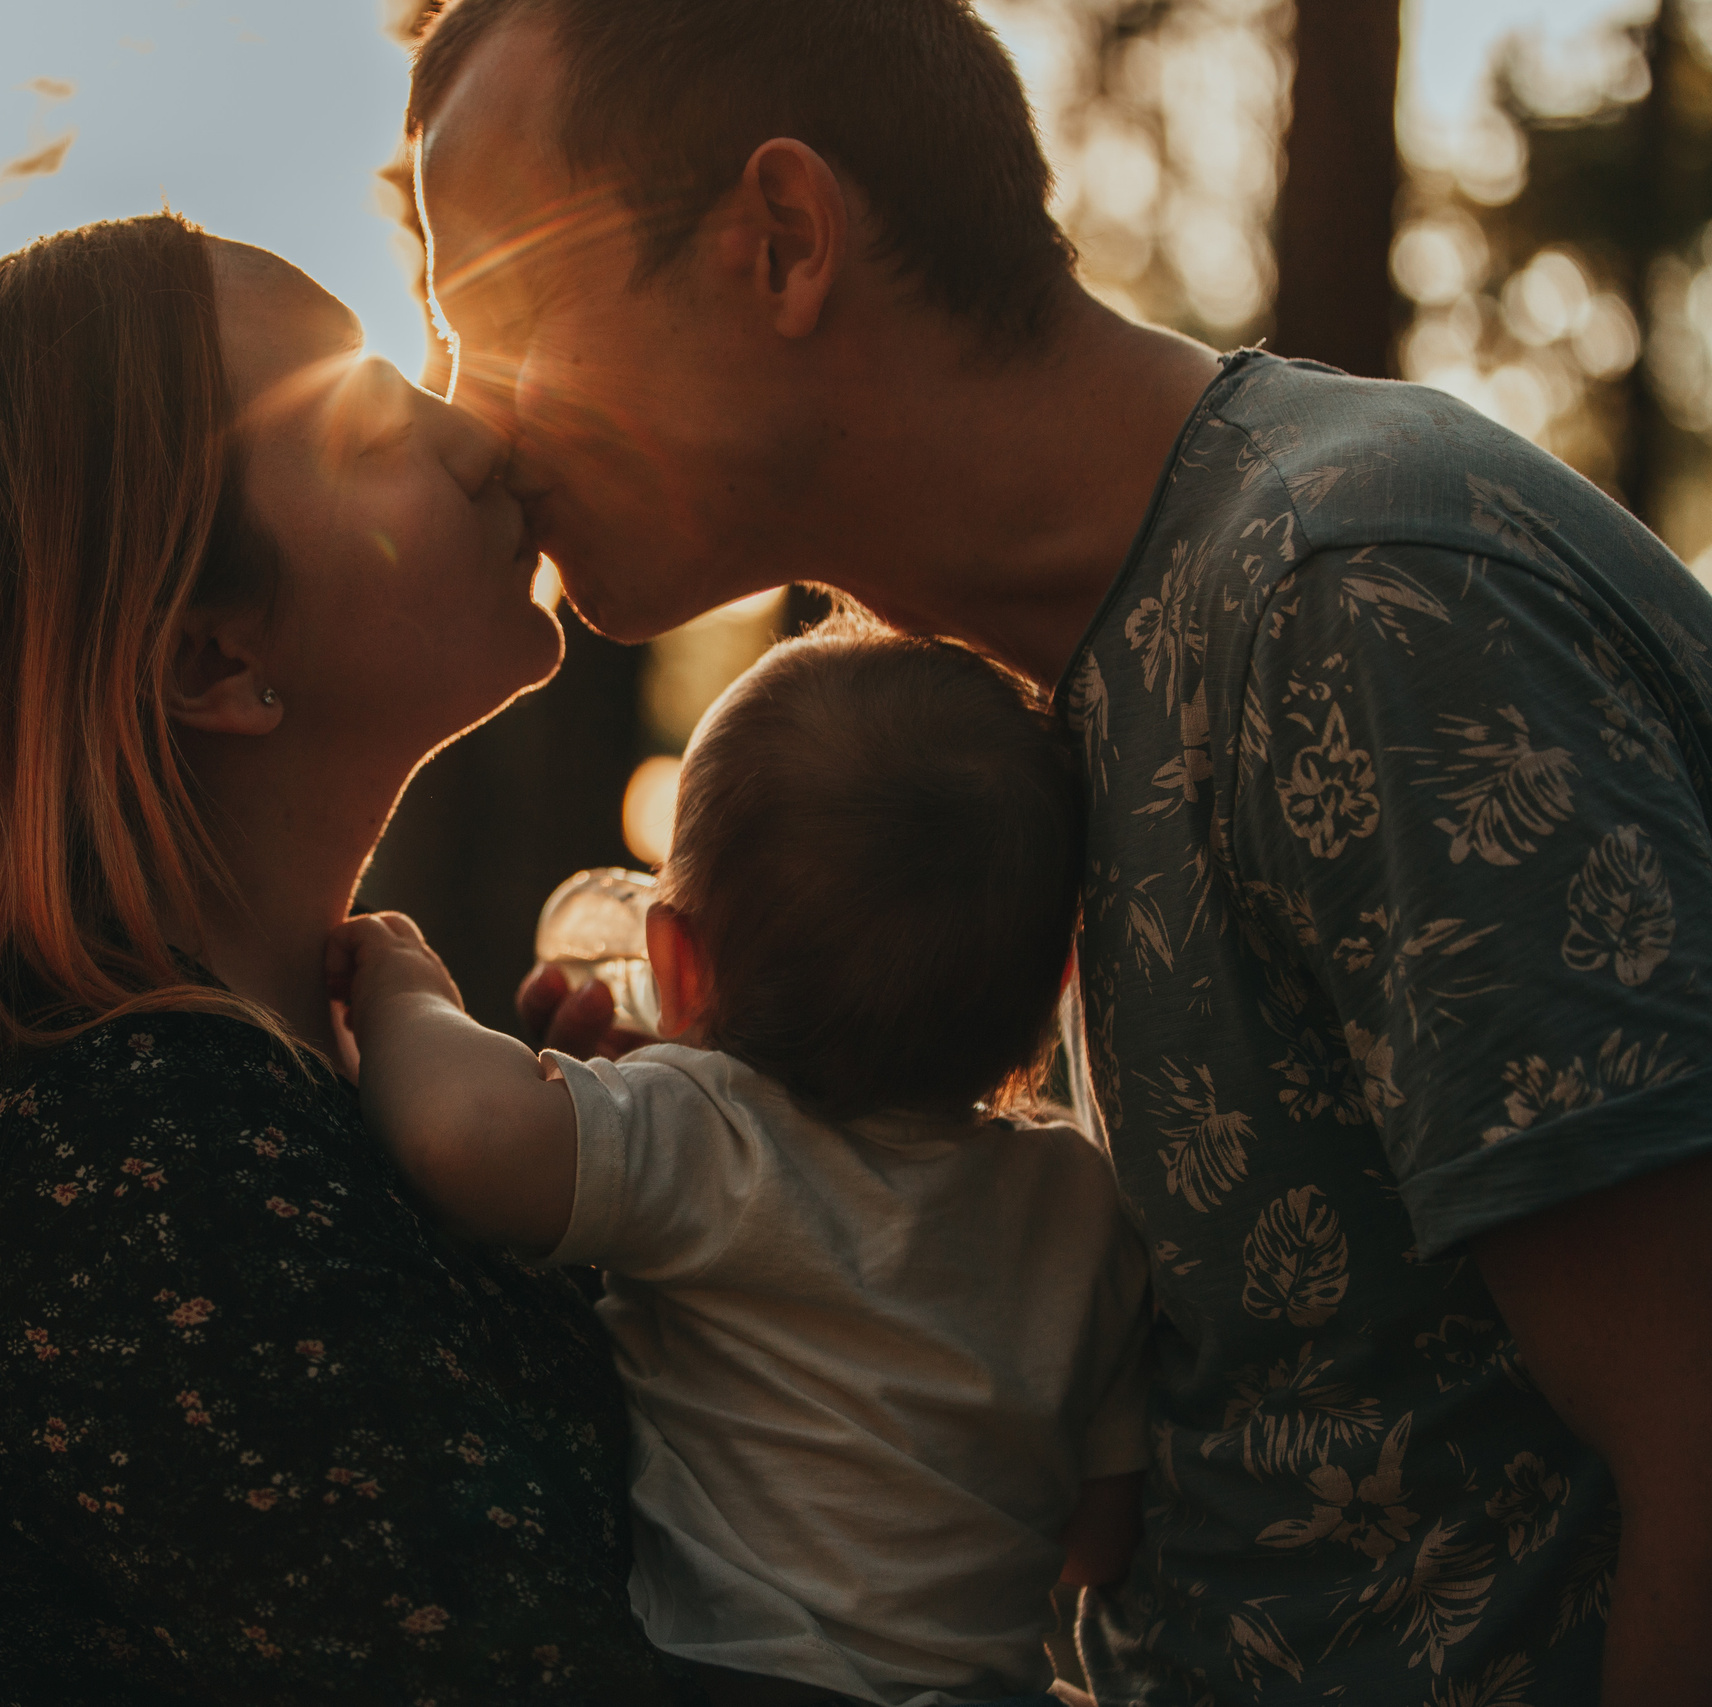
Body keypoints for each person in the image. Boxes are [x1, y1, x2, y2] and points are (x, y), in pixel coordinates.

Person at [401, 2, 1712, 1703]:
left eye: (495, 319)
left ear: (782, 244)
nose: (469, 426)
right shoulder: (1074, 694)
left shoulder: (1360, 602)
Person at [0, 212, 707, 1703]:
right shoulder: (135, 1168)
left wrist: (628, 1207)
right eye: (367, 425)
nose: (476, 435)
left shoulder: (265, 1103)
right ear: (213, 662)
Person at [331, 622, 1151, 1707]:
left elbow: (463, 1135)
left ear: (673, 957)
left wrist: (402, 989)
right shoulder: (1082, 1201)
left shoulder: (710, 1130)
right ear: (1056, 977)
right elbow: (1098, 1535)